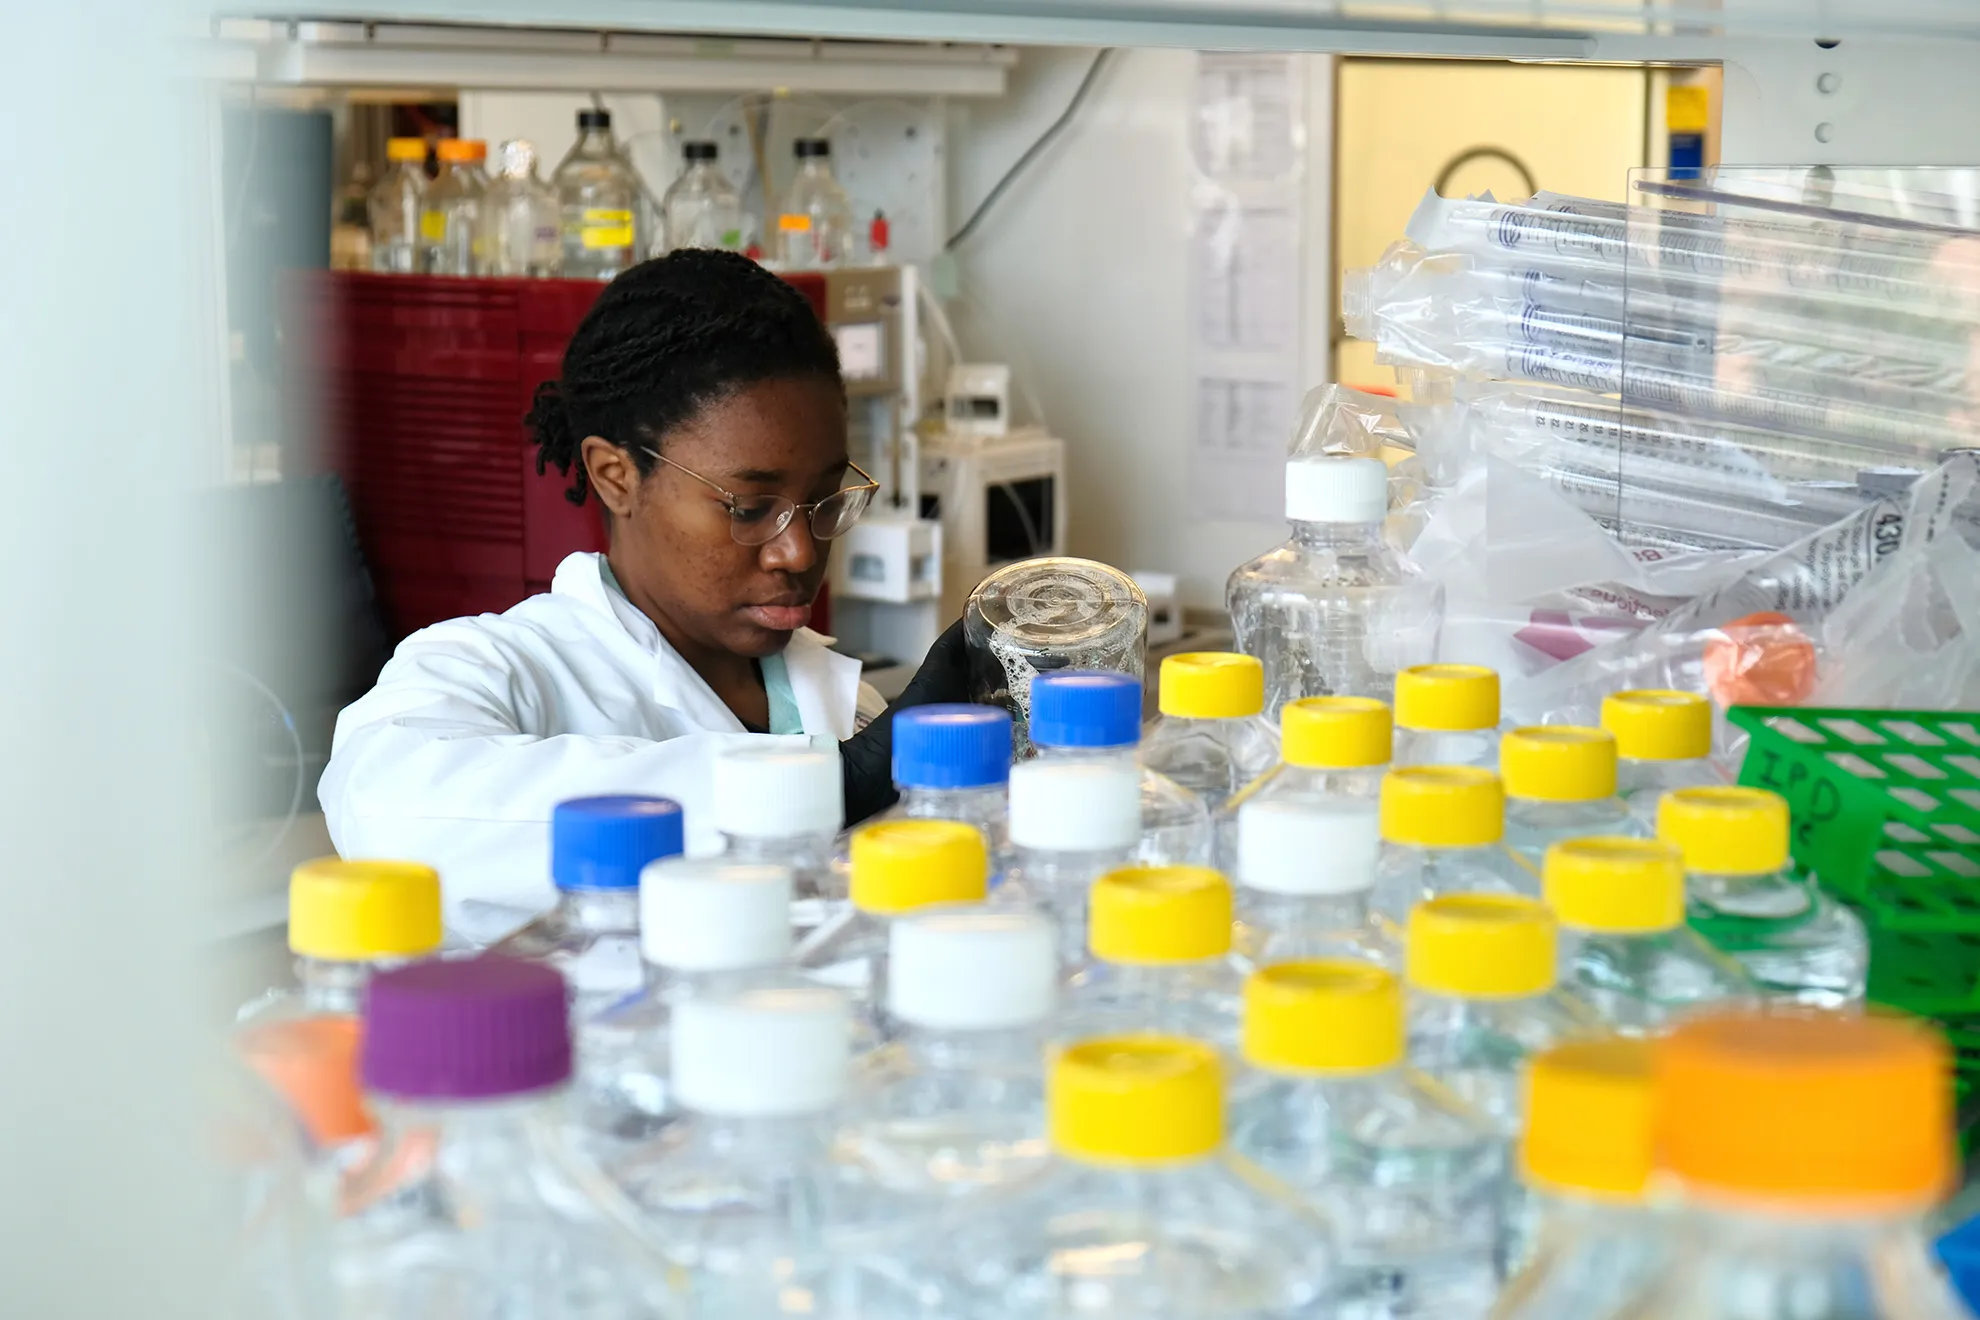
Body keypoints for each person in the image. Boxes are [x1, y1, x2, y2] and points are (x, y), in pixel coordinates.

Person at [319, 250, 969, 937]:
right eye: (750, 507)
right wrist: (825, 783)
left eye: (823, 500)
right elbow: (388, 808)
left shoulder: (846, 708)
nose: (799, 551)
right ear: (615, 475)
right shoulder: (499, 664)